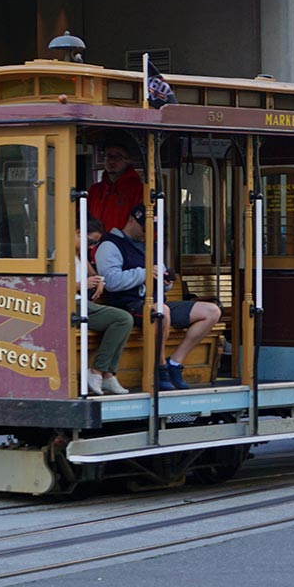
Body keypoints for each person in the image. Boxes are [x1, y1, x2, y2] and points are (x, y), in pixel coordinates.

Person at [95, 203, 222, 390]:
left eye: (152, 229)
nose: (148, 233)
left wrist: (166, 282)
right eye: (144, 228)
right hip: (128, 305)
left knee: (211, 311)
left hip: (158, 302)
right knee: (162, 311)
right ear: (131, 220)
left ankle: (175, 363)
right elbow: (111, 282)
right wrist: (145, 273)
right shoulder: (110, 245)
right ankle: (159, 366)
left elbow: (162, 279)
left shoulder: (151, 246)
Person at [76, 219, 132, 395]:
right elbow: (55, 285)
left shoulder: (79, 254)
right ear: (78, 233)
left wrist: (100, 281)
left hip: (83, 303)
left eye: (95, 243)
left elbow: (95, 275)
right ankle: (97, 371)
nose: (92, 247)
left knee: (124, 320)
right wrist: (82, 284)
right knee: (123, 319)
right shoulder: (60, 253)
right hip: (70, 304)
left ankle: (107, 374)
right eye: (90, 241)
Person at [87, 132, 144, 231]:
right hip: (95, 245)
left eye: (118, 156)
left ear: (128, 160)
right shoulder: (94, 190)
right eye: (108, 156)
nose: (111, 161)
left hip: (122, 245)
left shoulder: (139, 190)